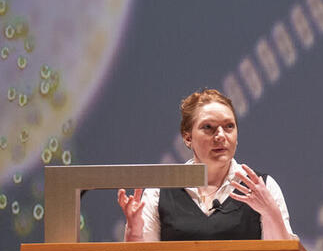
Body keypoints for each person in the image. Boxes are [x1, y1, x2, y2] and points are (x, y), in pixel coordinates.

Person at [117, 89, 296, 242]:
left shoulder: (262, 187)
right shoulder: (160, 191)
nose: (221, 136)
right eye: (208, 127)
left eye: (229, 126)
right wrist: (134, 233)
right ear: (188, 137)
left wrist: (270, 212)